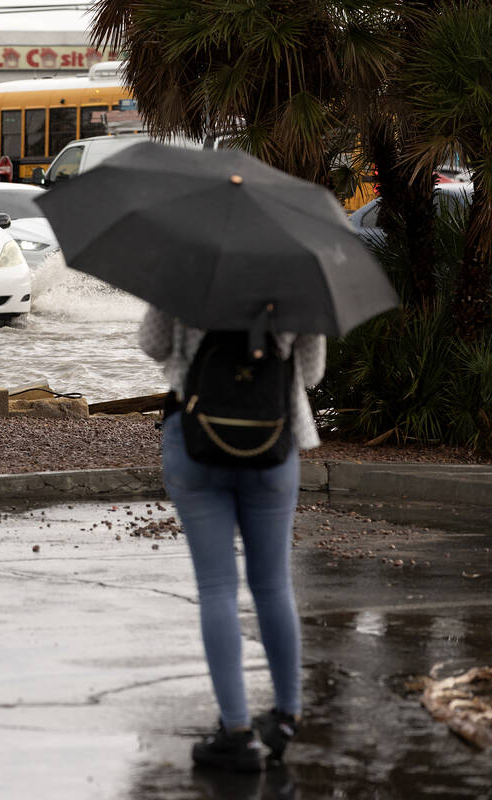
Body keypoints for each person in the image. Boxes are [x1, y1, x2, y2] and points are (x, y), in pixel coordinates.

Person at [138, 307, 326, 772]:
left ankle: (237, 731)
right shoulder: (296, 271)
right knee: (273, 584)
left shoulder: (191, 260)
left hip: (197, 436)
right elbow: (313, 372)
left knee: (217, 587)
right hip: (274, 437)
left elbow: (153, 343)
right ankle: (285, 717)